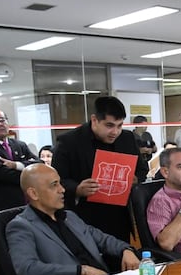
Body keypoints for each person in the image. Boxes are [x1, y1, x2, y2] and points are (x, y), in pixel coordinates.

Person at [5, 164, 140, 275]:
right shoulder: (21, 226)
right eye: (54, 185)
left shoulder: (69, 216)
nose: (62, 190)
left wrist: (125, 250)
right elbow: (27, 269)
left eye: (60, 183)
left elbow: (102, 239)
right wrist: (81, 270)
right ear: (33, 194)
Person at [52, 96, 147, 244]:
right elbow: (57, 179)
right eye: (109, 125)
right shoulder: (69, 142)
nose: (115, 132)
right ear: (94, 120)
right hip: (83, 216)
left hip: (119, 215)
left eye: (119, 125)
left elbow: (142, 169)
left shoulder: (127, 138)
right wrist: (77, 188)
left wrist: (135, 179)